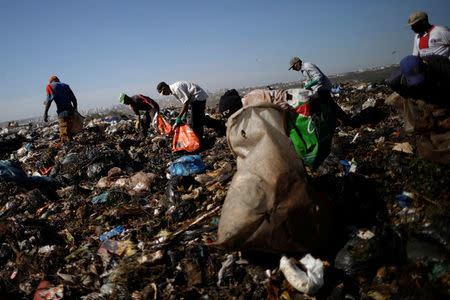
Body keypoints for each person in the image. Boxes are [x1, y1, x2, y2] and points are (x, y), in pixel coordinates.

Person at [386, 55, 450, 163]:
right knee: (416, 118)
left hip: (441, 88)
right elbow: (406, 94)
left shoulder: (443, 69)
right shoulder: (395, 81)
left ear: (425, 67)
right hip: (414, 91)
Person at [288, 57, 351, 124]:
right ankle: (339, 120)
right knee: (328, 106)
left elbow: (318, 77)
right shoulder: (303, 70)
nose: (293, 69)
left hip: (322, 88)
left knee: (330, 106)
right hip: (319, 89)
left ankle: (346, 121)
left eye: (293, 67)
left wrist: (309, 85)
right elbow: (310, 80)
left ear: (297, 63)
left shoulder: (307, 66)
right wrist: (305, 86)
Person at [156, 81, 224, 141]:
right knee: (200, 119)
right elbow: (186, 103)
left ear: (165, 88)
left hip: (198, 97)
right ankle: (220, 124)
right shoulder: (174, 91)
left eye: (164, 92)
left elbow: (186, 103)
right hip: (196, 99)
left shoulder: (176, 89)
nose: (164, 94)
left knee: (195, 122)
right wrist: (184, 117)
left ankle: (199, 140)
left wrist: (179, 117)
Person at [43, 76, 78, 143]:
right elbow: (74, 100)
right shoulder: (66, 86)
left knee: (64, 135)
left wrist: (45, 113)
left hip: (62, 113)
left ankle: (67, 148)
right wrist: (75, 110)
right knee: (70, 133)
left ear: (51, 81)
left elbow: (49, 101)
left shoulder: (50, 86)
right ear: (58, 80)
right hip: (70, 112)